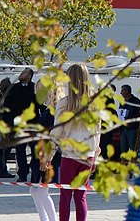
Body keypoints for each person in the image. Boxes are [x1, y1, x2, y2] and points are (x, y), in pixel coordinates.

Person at [50, 62, 100, 221]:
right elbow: (98, 132)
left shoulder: (64, 103)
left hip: (69, 155)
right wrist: (95, 156)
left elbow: (57, 132)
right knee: (81, 197)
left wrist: (49, 155)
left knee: (65, 196)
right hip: (88, 155)